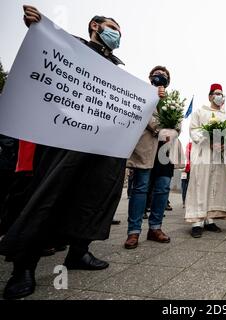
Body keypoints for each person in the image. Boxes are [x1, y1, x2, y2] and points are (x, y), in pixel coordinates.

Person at [0, 6, 164, 300]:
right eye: (112, 27)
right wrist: (39, 29)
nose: (117, 34)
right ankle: (23, 267)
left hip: (100, 150)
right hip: (65, 144)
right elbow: (48, 57)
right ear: (95, 26)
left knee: (93, 197)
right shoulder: (73, 47)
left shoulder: (114, 69)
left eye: (120, 32)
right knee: (48, 196)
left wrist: (150, 98)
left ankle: (79, 251)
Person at [125, 66, 177, 249]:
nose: (161, 76)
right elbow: (143, 115)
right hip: (145, 147)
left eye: (165, 75)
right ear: (150, 77)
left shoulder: (173, 100)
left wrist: (172, 131)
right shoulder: (143, 95)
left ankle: (155, 228)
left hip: (165, 151)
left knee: (162, 188)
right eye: (158, 74)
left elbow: (177, 123)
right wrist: (159, 129)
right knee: (141, 188)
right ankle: (133, 232)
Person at [185, 84, 226, 238]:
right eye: (217, 93)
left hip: (219, 155)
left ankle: (210, 218)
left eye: (222, 94)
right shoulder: (200, 112)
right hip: (204, 154)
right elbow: (193, 130)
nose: (220, 96)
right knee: (201, 184)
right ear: (210, 97)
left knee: (216, 185)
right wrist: (208, 138)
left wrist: (224, 143)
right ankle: (197, 222)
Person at [181, 142, 192, 209]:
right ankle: (184, 201)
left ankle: (186, 201)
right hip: (186, 169)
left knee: (185, 185)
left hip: (190, 169)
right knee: (184, 185)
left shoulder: (190, 145)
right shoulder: (189, 145)